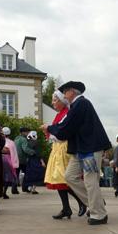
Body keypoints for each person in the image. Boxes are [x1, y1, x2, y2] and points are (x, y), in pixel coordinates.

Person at [42, 81, 112, 225]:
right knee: (70, 177)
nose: (63, 94)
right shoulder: (76, 105)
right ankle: (95, 205)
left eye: (65, 91)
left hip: (90, 150)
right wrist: (53, 129)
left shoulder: (81, 104)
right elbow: (66, 127)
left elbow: (66, 127)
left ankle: (99, 214)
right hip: (82, 149)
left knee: (90, 180)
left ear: (72, 92)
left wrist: (50, 128)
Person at [44, 90, 87, 219]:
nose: (52, 103)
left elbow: (61, 132)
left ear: (63, 100)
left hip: (64, 148)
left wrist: (49, 129)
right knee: (58, 180)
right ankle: (67, 208)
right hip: (57, 148)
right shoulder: (59, 115)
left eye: (55, 100)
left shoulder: (67, 113)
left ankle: (82, 201)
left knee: (65, 179)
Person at [14, 127, 36, 193]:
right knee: (27, 174)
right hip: (23, 159)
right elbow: (25, 149)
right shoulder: (24, 139)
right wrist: (33, 152)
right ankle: (24, 188)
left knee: (16, 174)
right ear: (23, 132)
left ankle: (14, 189)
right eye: (27, 132)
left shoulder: (16, 138)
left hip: (16, 159)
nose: (28, 133)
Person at [2, 127, 19, 198]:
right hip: (7, 160)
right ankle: (4, 192)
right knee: (7, 177)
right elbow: (14, 154)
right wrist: (15, 164)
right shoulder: (11, 142)